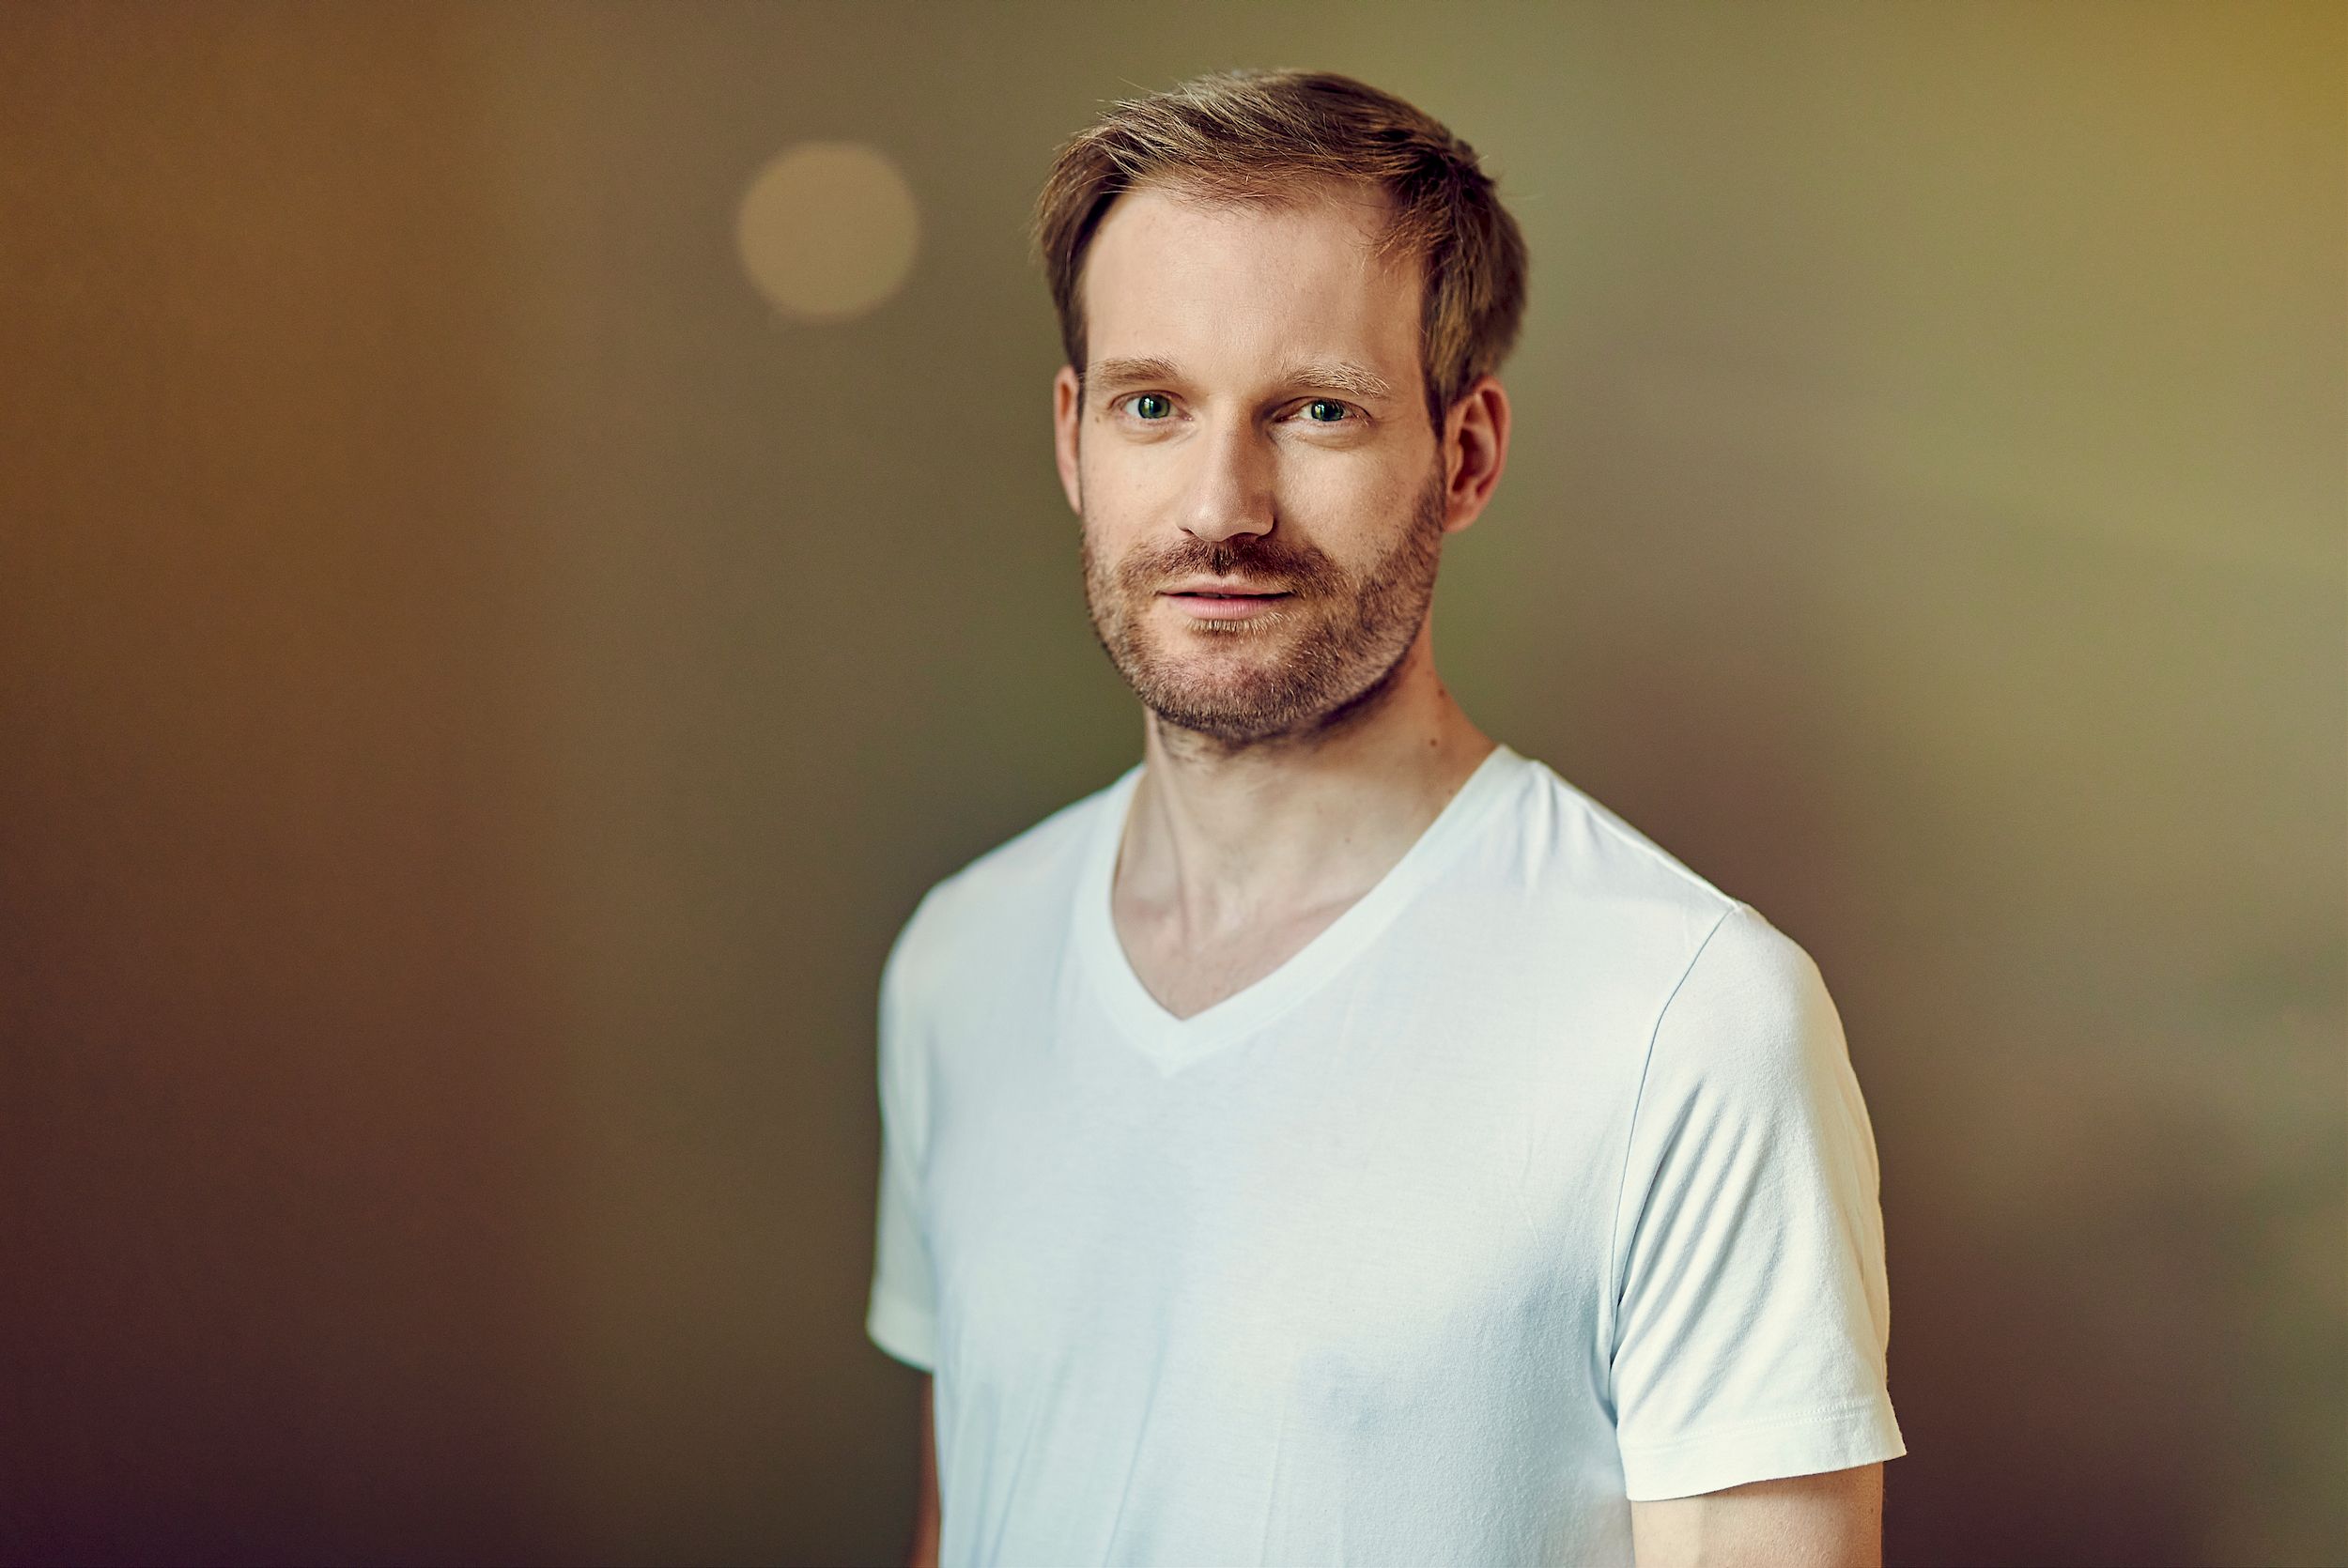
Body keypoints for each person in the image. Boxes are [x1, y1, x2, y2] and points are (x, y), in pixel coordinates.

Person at [863, 67, 1904, 1568]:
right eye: (1156, 405)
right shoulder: (960, 962)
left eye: (1316, 411)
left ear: (1464, 455)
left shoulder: (1687, 1019)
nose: (1221, 505)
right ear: (1075, 437)